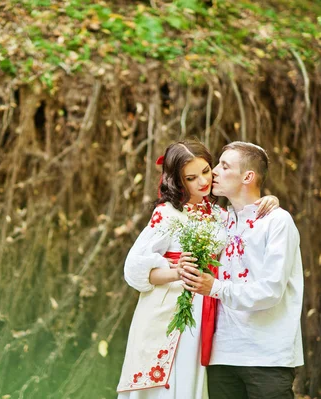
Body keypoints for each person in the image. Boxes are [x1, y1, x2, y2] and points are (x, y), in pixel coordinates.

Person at [117, 140, 279, 399]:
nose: (202, 181)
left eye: (206, 171)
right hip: (170, 311)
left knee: (196, 383)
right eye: (191, 178)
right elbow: (134, 269)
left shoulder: (217, 213)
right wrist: (176, 272)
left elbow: (245, 223)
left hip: (208, 308)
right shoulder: (167, 214)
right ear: (178, 181)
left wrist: (267, 199)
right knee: (170, 382)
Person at [180, 141, 304, 399]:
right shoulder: (218, 221)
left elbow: (271, 290)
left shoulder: (277, 222)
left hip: (267, 356)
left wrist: (214, 287)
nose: (213, 171)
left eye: (224, 166)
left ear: (248, 176)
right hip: (221, 355)